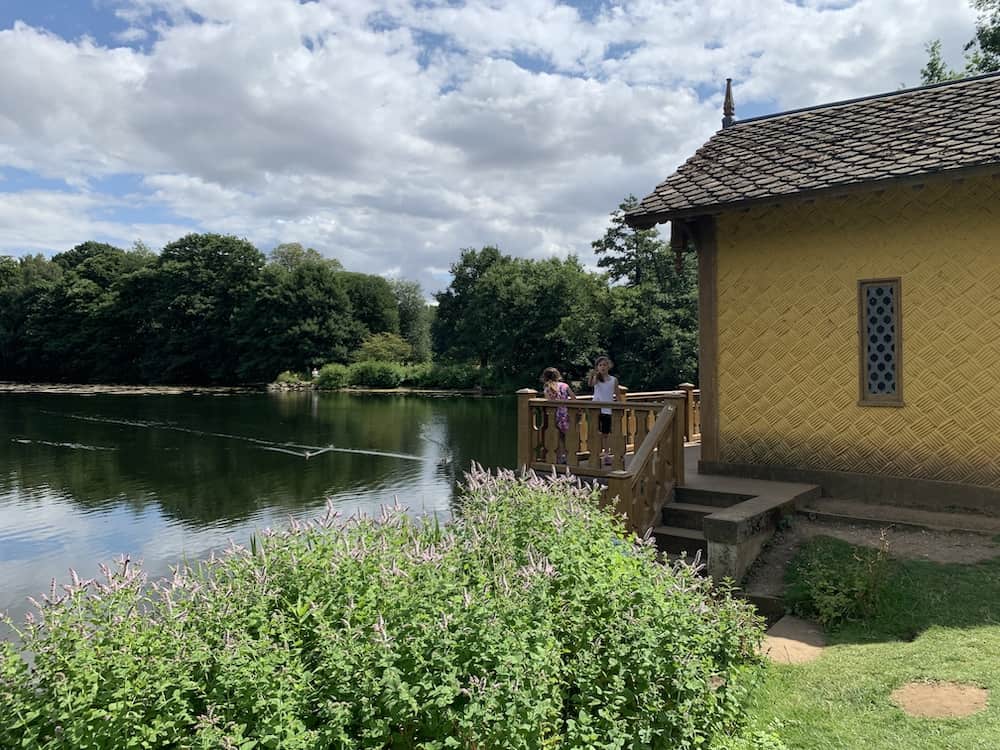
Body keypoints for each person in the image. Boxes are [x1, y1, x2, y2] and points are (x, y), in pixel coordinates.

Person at [588, 356, 619, 466]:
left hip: (608, 409)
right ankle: (594, 453)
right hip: (596, 409)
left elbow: (618, 395)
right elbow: (591, 384)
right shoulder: (597, 378)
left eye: (605, 365)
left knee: (605, 433)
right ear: (597, 367)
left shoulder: (613, 380)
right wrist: (592, 375)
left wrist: (620, 406)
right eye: (600, 365)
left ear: (609, 366)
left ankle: (606, 454)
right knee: (595, 432)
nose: (603, 367)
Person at [541, 367, 576, 464]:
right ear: (558, 376)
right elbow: (573, 397)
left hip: (556, 415)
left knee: (559, 437)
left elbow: (548, 401)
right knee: (567, 436)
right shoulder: (565, 385)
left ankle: (561, 457)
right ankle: (569, 456)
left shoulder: (547, 387)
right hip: (566, 413)